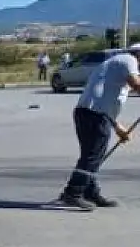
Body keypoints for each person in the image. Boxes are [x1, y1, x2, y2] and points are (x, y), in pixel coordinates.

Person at [56, 43, 140, 210]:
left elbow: (107, 101)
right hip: (93, 114)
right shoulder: (129, 60)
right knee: (92, 156)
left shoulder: (117, 64)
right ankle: (73, 192)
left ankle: (89, 190)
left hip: (92, 113)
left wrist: (118, 128)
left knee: (92, 156)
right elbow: (137, 85)